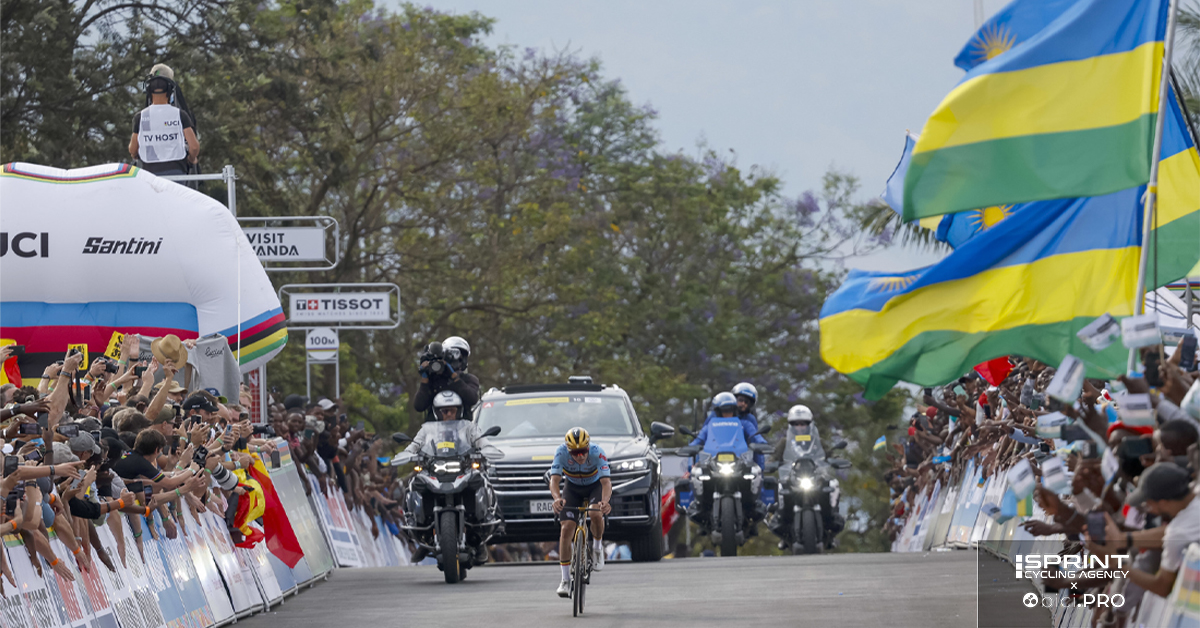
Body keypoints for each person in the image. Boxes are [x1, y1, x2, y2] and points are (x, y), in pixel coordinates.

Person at [402, 390, 502, 564]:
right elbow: (415, 445)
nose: (448, 414)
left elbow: (482, 443)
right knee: (414, 483)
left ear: (459, 410)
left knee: (481, 479)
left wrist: (484, 450)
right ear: (437, 412)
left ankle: (483, 528)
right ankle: (418, 527)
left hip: (462, 470)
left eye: (452, 410)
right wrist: (411, 453)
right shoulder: (427, 431)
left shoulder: (469, 428)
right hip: (436, 471)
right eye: (444, 411)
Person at [768, 404, 843, 547]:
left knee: (833, 485)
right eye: (796, 424)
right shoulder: (784, 442)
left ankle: (831, 520)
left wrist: (837, 460)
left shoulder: (817, 441)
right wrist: (770, 464)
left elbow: (830, 454)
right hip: (793, 478)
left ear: (809, 424)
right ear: (791, 425)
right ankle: (784, 526)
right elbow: (774, 457)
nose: (800, 427)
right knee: (780, 487)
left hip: (815, 477)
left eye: (803, 423)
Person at [550, 427, 611, 597]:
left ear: (588, 447)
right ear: (568, 450)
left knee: (595, 513)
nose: (580, 456)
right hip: (572, 488)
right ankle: (565, 579)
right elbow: (554, 480)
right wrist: (556, 498)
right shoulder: (561, 453)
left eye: (583, 451)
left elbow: (606, 483)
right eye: (575, 453)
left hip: (594, 486)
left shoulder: (598, 453)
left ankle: (597, 547)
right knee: (566, 529)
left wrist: (605, 501)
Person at [128, 66, 199, 176]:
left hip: (149, 174)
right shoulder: (180, 114)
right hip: (177, 171)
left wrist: (136, 156)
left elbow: (133, 150)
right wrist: (191, 158)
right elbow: (194, 147)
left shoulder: (140, 117)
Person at [412, 336, 480, 420]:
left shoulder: (468, 379)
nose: (457, 360)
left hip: (463, 427)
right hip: (434, 427)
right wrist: (425, 377)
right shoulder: (433, 380)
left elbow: (472, 399)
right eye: (452, 355)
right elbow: (419, 406)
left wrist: (453, 376)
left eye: (460, 357)